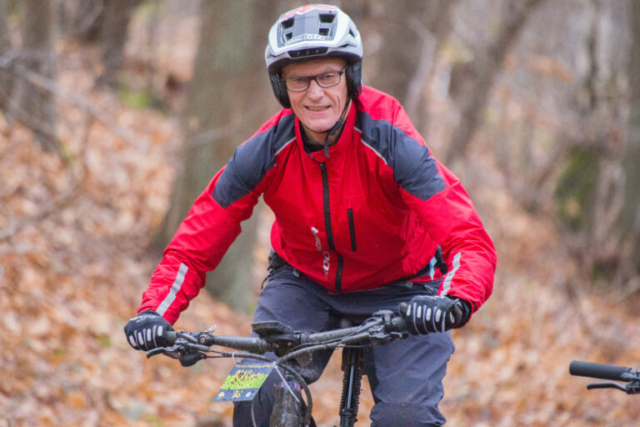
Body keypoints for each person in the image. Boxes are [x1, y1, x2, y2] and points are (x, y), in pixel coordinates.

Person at [124, 4, 496, 426]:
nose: (315, 93)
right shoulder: (265, 149)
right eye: (299, 80)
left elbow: (470, 241)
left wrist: (453, 299)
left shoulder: (393, 140)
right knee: (253, 391)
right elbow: (195, 242)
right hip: (303, 283)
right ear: (281, 88)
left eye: (328, 76)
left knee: (406, 417)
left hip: (406, 289)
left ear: (351, 77)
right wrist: (154, 312)